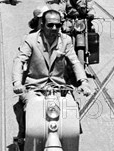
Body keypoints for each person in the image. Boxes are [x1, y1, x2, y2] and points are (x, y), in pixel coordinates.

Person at [12, 9, 92, 140]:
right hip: (35, 87)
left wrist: (83, 82)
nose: (54, 28)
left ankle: (69, 142)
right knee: (29, 109)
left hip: (60, 87)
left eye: (58, 25)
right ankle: (23, 135)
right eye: (50, 25)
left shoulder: (66, 40)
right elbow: (19, 60)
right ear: (42, 24)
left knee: (72, 109)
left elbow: (75, 62)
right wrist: (17, 83)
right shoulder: (31, 40)